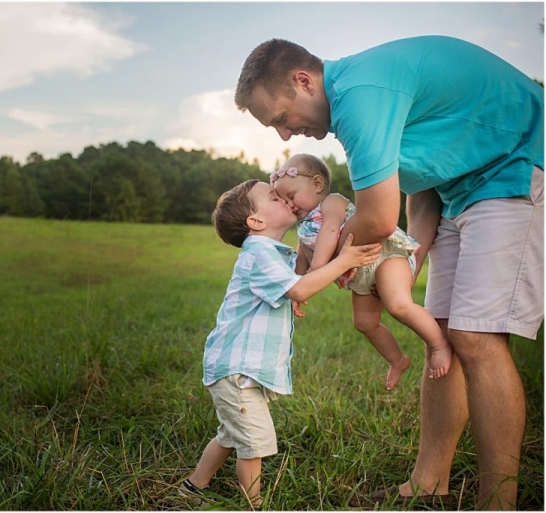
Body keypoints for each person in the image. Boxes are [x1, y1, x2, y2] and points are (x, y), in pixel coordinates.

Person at [234, 35, 543, 510]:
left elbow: (377, 219)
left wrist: (332, 261)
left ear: (304, 81)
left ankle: (497, 504)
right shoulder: (358, 98)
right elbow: (423, 183)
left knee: (476, 337)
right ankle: (428, 483)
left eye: (279, 117)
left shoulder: (360, 96)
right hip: (459, 190)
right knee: (443, 330)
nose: (284, 135)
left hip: (516, 166)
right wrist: (410, 259)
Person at [179, 179, 382, 509]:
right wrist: (344, 261)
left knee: (231, 434)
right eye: (274, 198)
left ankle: (194, 485)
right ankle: (254, 505)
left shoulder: (272, 254)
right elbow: (299, 289)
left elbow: (300, 280)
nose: (285, 200)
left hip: (237, 367)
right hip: (237, 369)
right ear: (256, 221)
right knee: (254, 442)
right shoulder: (259, 254)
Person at [272, 153, 453, 390]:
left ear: (317, 184)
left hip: (383, 256)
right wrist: (299, 287)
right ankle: (397, 360)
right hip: (360, 275)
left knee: (399, 305)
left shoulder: (332, 202)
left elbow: (330, 231)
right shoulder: (303, 229)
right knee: (365, 323)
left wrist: (316, 270)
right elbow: (302, 260)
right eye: (283, 201)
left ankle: (439, 346)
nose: (289, 204)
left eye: (291, 195)